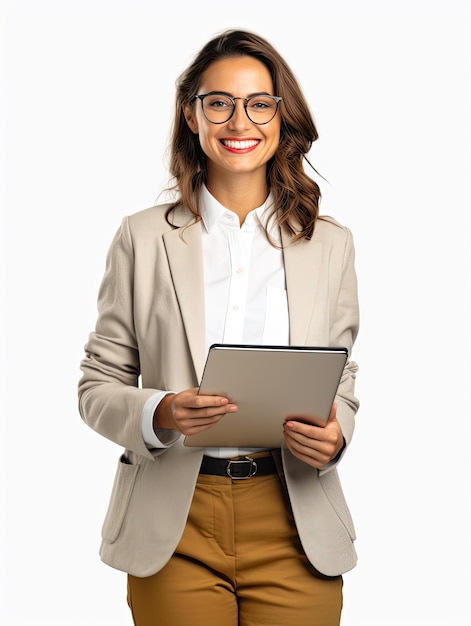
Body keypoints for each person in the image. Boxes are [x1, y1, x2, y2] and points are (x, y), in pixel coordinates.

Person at [78, 28, 360, 626]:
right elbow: (96, 386)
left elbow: (341, 377)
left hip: (294, 514)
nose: (241, 121)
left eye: (260, 103)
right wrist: (161, 411)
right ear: (192, 114)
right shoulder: (142, 238)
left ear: (282, 116)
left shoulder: (329, 245)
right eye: (219, 102)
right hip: (173, 521)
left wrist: (337, 435)